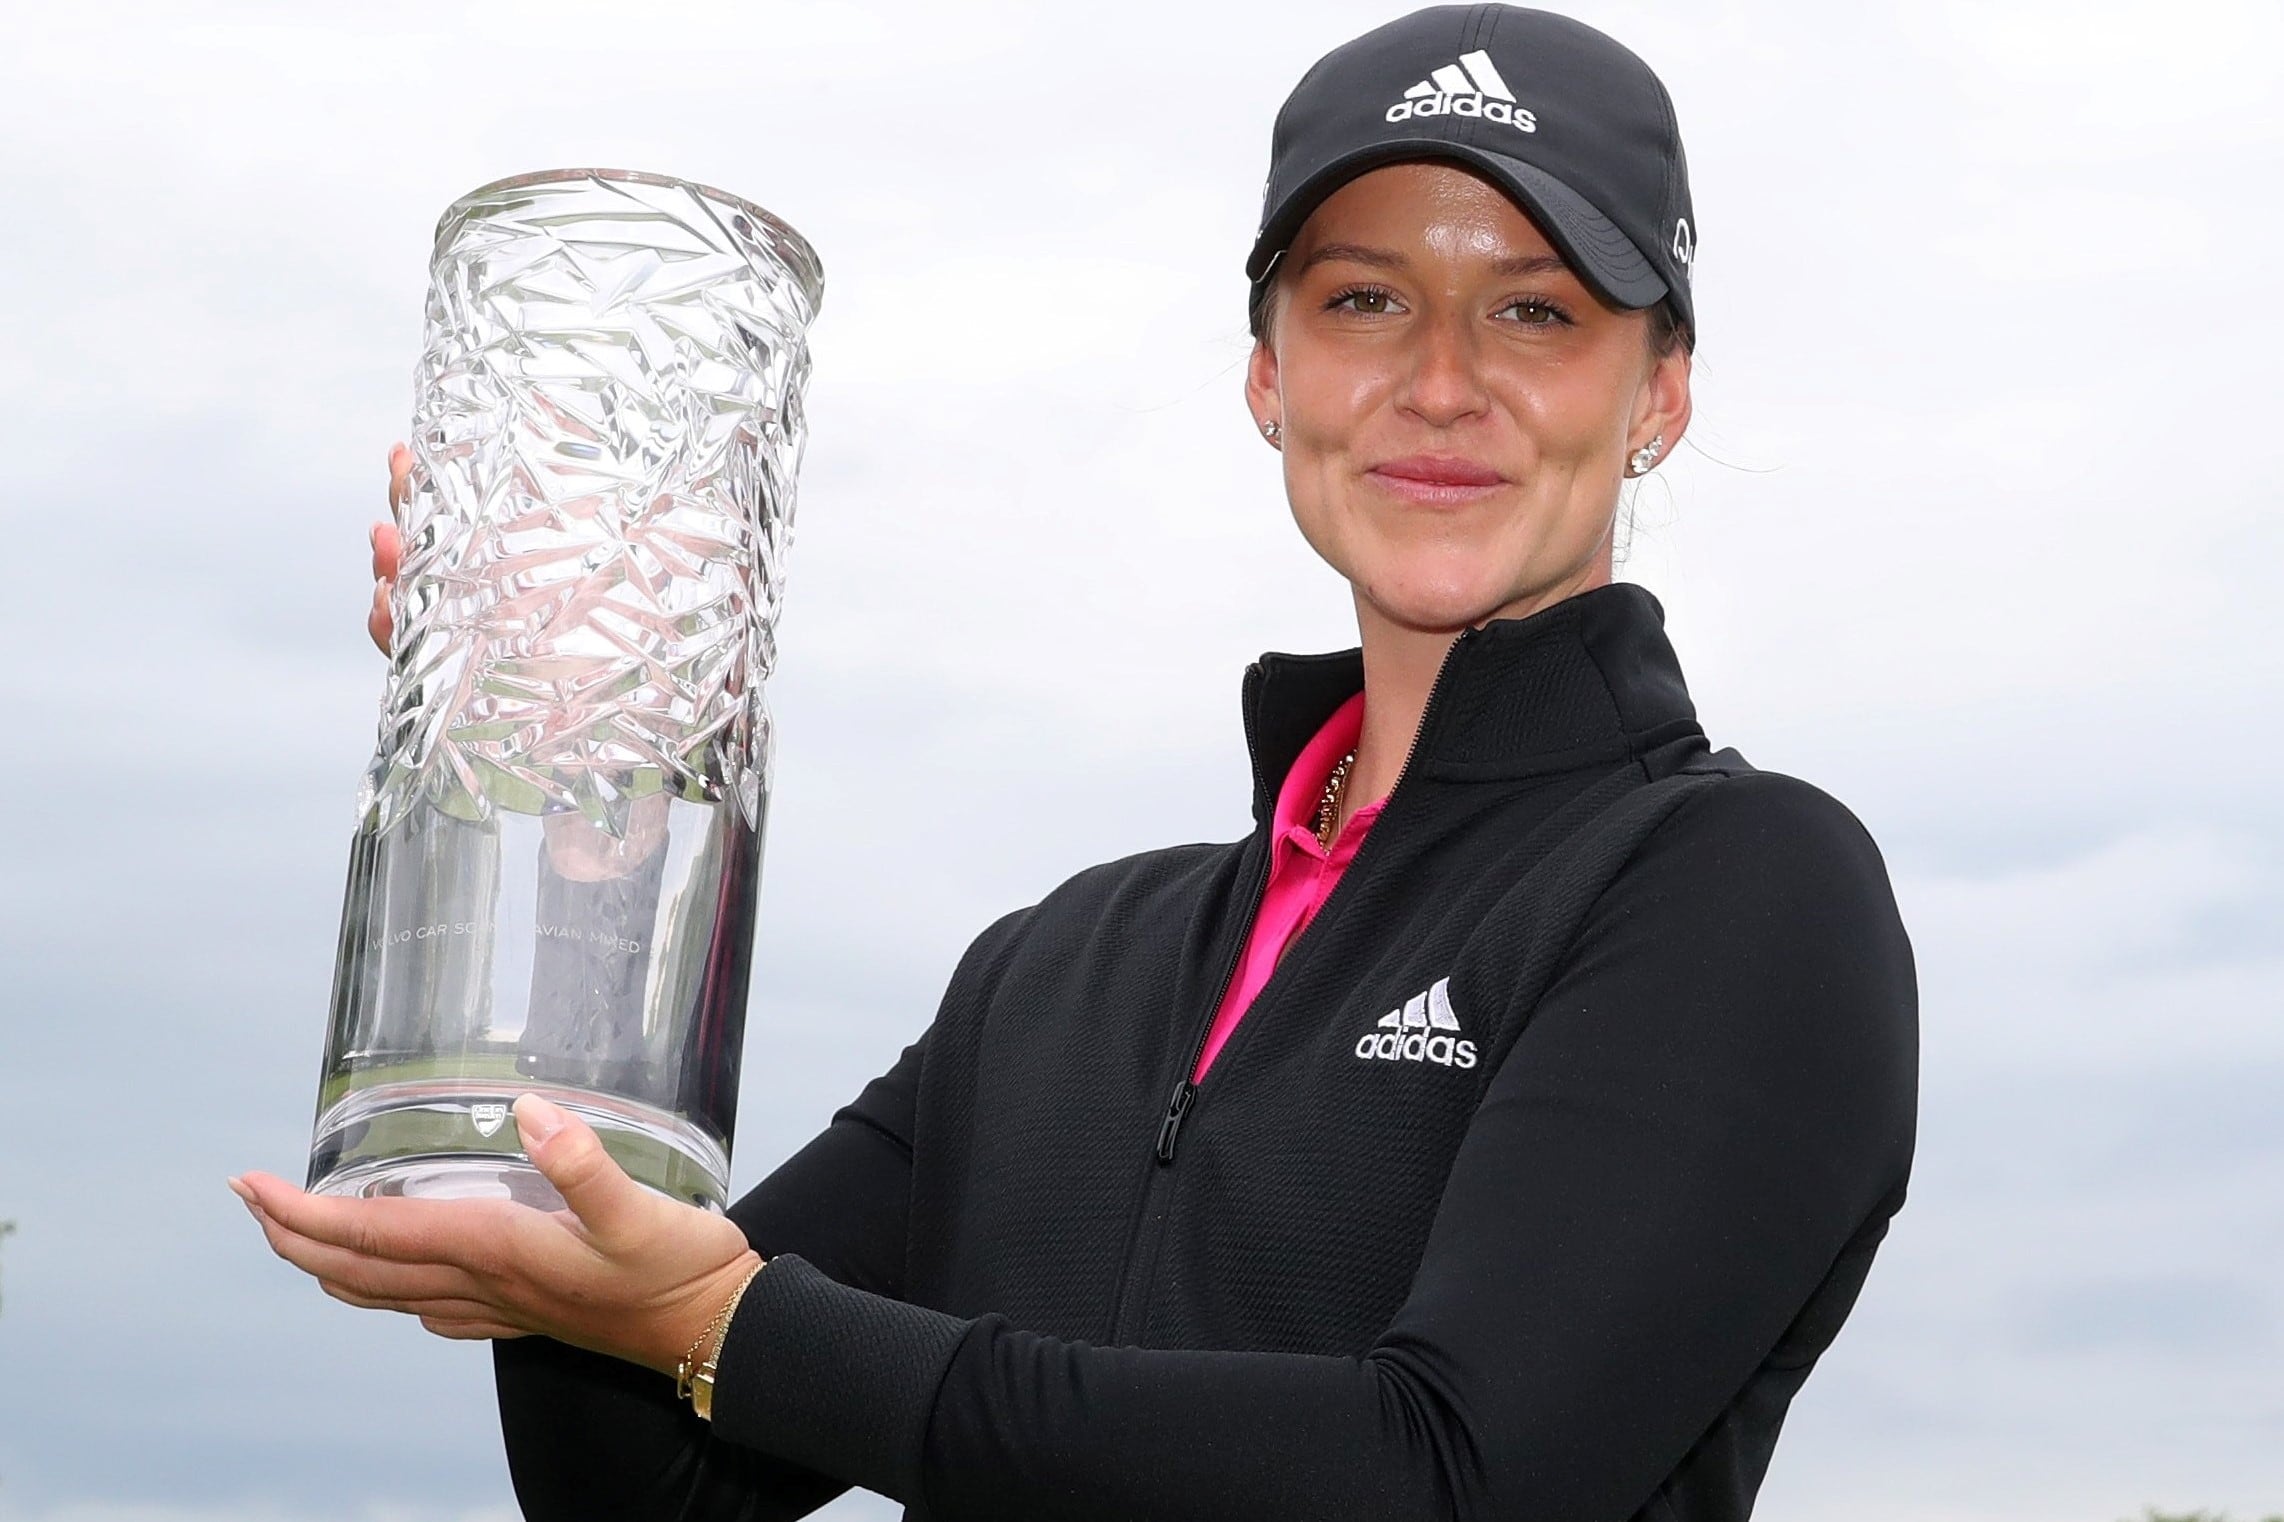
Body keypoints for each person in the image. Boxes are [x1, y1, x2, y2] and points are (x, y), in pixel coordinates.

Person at [233, 6, 1919, 1519]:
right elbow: (649, 1492)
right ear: (1270, 374)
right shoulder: (1061, 969)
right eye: (1363, 300)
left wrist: (733, 1326)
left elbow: (1453, 1474)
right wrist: (601, 781)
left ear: (1661, 392)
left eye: (1537, 311)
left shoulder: (1742, 890)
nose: (1441, 381)